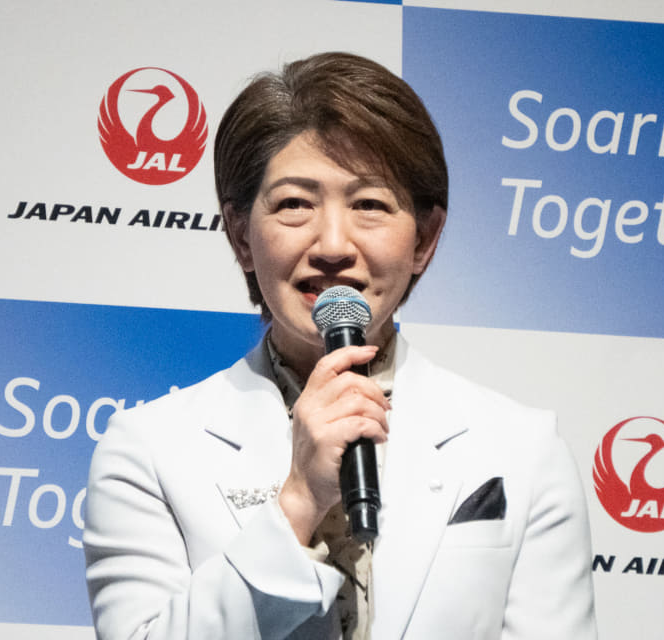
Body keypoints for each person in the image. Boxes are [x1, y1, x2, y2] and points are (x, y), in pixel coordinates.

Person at [83, 51, 597, 639]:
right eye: (294, 205)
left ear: (425, 239)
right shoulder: (147, 451)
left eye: (369, 205)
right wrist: (299, 502)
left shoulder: (522, 448)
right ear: (241, 236)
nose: (332, 245)